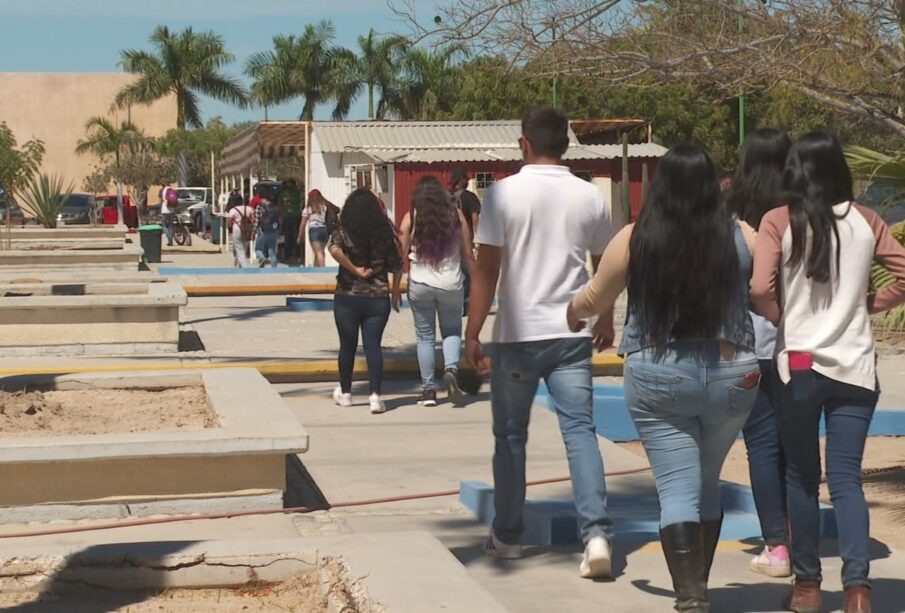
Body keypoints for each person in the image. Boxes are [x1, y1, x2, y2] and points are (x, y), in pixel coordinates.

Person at [570, 144, 760, 612]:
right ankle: (698, 583)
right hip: (733, 373)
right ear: (714, 186)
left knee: (677, 488)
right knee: (708, 481)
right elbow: (767, 287)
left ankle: (690, 595)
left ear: (660, 186)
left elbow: (596, 295)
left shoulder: (636, 237)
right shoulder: (743, 235)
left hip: (659, 374)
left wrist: (572, 311)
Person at [751, 132, 905, 613]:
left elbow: (759, 287)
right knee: (846, 480)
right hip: (856, 364)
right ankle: (858, 591)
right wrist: (869, 304)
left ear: (794, 173)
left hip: (798, 363)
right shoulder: (868, 220)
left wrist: (783, 318)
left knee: (800, 478)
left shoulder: (778, 220)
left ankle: (808, 589)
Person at [465, 105, 615, 578]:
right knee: (580, 432)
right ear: (567, 146)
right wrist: (606, 318)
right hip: (571, 332)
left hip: (517, 333)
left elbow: (487, 269)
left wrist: (472, 333)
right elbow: (605, 267)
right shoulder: (590, 196)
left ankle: (508, 535)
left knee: (511, 437)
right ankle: (595, 536)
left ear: (523, 143)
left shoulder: (502, 195)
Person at [723, 128, 794, 579]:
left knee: (762, 445)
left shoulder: (733, 207)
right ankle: (796, 528)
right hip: (798, 340)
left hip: (749, 340)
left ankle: (777, 544)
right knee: (796, 443)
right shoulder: (802, 208)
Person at [398, 176, 475, 408]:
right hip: (451, 283)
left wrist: (394, 288)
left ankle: (429, 390)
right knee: (451, 329)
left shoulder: (411, 218)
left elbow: (400, 255)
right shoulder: (456, 216)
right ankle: (451, 369)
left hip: (420, 283)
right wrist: (479, 283)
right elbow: (468, 255)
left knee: (425, 336)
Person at [329, 188, 403, 414]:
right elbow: (398, 264)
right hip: (377, 298)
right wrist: (395, 290)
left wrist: (354, 269)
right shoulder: (384, 233)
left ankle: (346, 392)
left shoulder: (343, 229)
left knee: (347, 347)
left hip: (347, 296)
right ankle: (375, 396)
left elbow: (334, 250)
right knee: (373, 347)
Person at [300, 189, 339, 267]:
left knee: (318, 252)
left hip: (314, 230)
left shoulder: (308, 208)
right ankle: (316, 269)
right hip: (324, 230)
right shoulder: (324, 207)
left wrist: (300, 235)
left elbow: (303, 223)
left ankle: (322, 270)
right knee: (320, 252)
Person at [449, 167, 481, 237]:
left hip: (447, 240)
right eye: (466, 179)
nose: (467, 182)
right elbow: (475, 220)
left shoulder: (443, 196)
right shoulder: (471, 197)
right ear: (461, 180)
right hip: (465, 239)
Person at [279, 178, 303, 265]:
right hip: (287, 217)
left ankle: (297, 255)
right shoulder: (282, 194)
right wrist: (282, 215)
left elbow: (299, 199)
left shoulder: (296, 193)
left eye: (290, 184)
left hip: (295, 217)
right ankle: (287, 255)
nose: (289, 186)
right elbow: (280, 205)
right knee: (287, 237)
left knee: (295, 236)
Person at [254, 192, 280, 268]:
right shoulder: (275, 207)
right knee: (272, 252)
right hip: (273, 231)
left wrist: (254, 230)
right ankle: (274, 268)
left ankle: (262, 258)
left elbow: (257, 220)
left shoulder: (261, 207)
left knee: (258, 249)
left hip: (263, 231)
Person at [227, 197, 255, 268]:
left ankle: (245, 266)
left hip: (237, 228)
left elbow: (229, 222)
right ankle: (238, 266)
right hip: (247, 230)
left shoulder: (233, 210)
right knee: (244, 248)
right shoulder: (249, 209)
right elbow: (253, 219)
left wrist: (230, 229)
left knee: (239, 248)